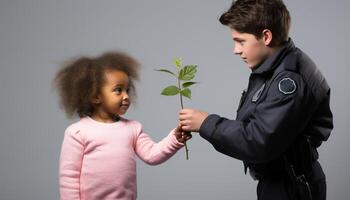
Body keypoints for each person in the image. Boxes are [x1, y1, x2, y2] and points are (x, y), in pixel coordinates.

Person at [179, 0, 333, 199]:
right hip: (281, 182)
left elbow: (258, 141)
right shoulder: (274, 68)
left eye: (241, 41)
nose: (236, 49)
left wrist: (206, 123)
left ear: (266, 36)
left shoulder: (289, 80)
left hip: (291, 187)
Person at [54, 51, 191, 200]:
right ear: (95, 96)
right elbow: (69, 178)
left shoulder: (133, 128)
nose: (126, 96)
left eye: (127, 90)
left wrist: (175, 139)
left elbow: (152, 155)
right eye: (118, 90)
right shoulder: (78, 132)